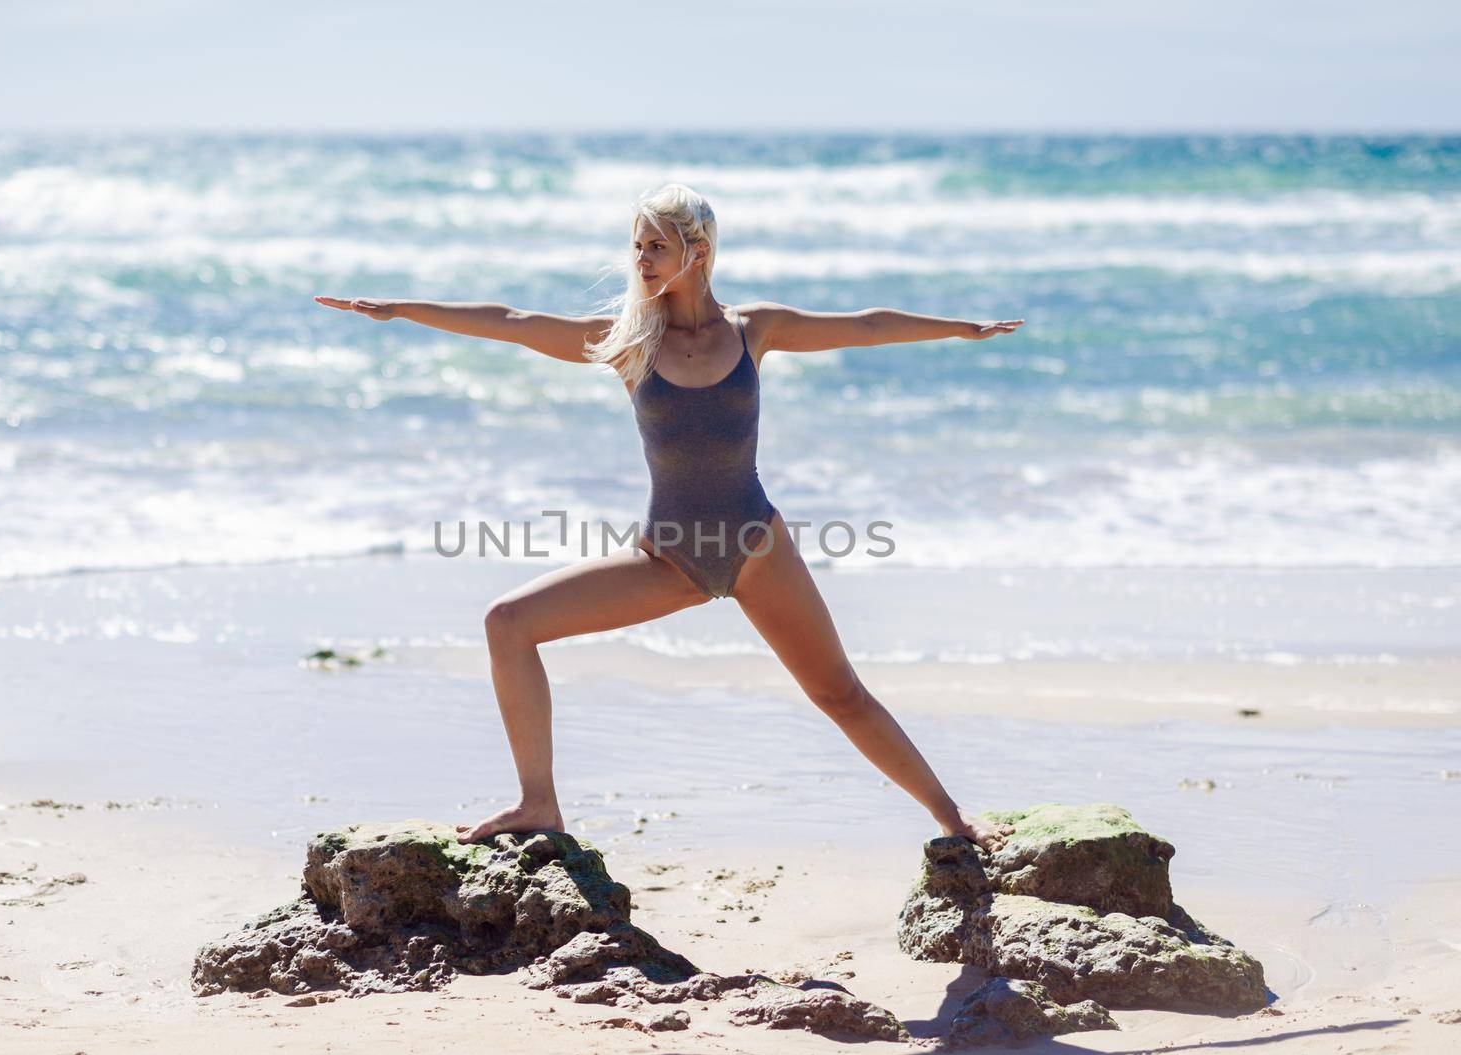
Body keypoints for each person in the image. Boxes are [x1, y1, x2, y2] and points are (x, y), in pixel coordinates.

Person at [316, 183, 1025, 852]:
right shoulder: (629, 339)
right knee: (508, 622)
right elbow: (513, 323)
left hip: (756, 547)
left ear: (699, 252)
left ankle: (951, 816)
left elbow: (865, 324)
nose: (642, 259)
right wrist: (403, 309)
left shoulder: (755, 330)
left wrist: (961, 329)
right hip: (669, 560)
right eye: (637, 246)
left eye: (656, 245)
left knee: (838, 692)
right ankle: (539, 804)